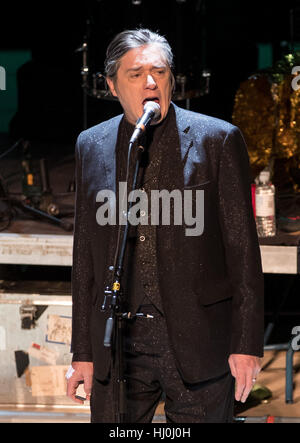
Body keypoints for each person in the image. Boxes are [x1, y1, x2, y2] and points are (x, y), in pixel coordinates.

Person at [67, 28, 264, 423]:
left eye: (160, 71)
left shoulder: (217, 140)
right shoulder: (92, 144)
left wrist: (246, 344)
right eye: (136, 74)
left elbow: (243, 253)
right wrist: (83, 352)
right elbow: (86, 258)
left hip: (198, 340)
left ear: (173, 79)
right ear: (111, 84)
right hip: (120, 346)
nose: (151, 83)